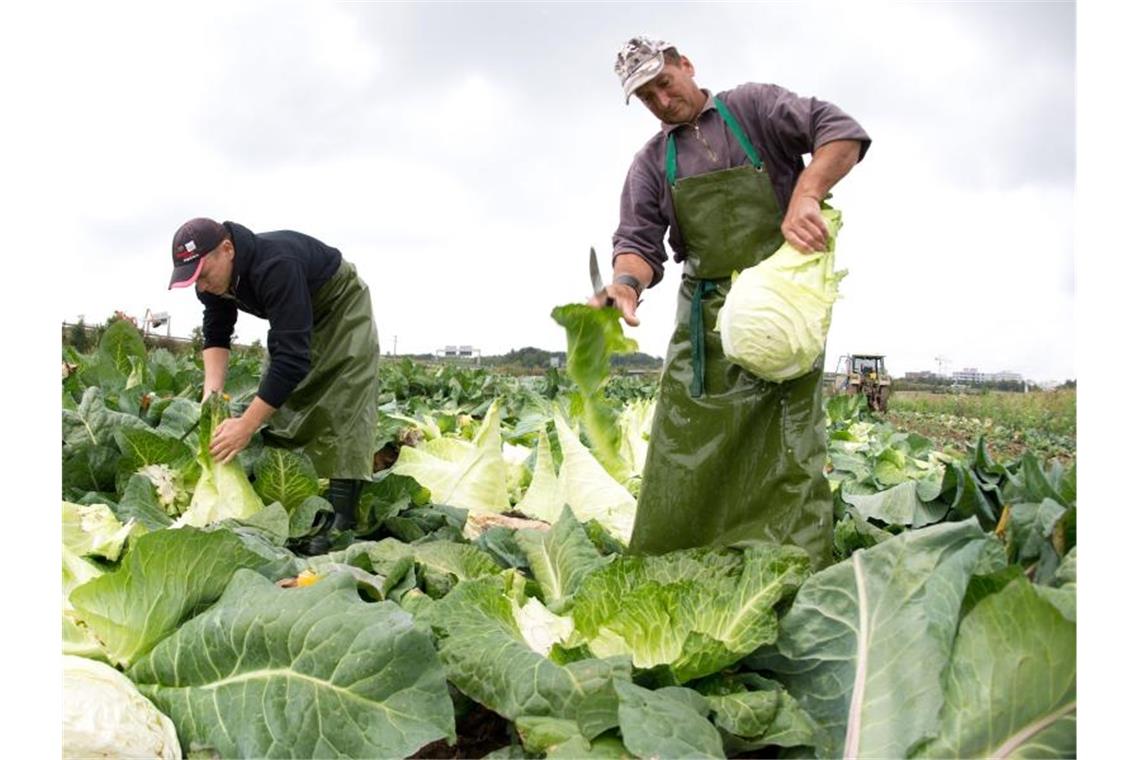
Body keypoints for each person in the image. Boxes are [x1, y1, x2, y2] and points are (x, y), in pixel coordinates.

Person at [591, 37, 871, 569]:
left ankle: (786, 568)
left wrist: (807, 193)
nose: (661, 100)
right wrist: (624, 285)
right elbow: (637, 242)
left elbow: (841, 133)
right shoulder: (651, 162)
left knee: (788, 446)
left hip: (777, 311)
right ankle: (673, 563)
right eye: (646, 97)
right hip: (705, 319)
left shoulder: (754, 108)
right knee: (682, 446)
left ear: (686, 66)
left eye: (664, 83)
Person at [168, 217, 380, 534]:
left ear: (227, 249)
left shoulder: (276, 265)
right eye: (192, 279)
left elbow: (292, 359)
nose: (201, 286)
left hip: (339, 305)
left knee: (344, 402)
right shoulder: (213, 281)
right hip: (297, 312)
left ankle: (341, 520)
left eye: (203, 275)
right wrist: (211, 395)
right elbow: (216, 333)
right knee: (282, 404)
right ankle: (297, 496)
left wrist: (246, 425)